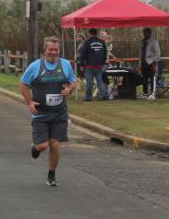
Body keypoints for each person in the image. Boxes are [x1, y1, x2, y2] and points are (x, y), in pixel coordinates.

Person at [20, 37, 77, 187]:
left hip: (59, 112)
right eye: (50, 49)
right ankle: (35, 147)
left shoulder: (65, 64)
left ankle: (51, 175)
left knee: (55, 144)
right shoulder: (35, 66)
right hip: (41, 113)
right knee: (42, 146)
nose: (53, 52)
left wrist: (69, 89)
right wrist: (30, 102)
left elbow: (73, 81)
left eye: (56, 49)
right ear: (44, 50)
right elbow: (23, 84)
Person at [76, 28, 109, 101]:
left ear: (90, 33)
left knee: (89, 82)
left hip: (89, 66)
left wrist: (81, 64)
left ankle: (88, 97)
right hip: (99, 66)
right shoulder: (102, 42)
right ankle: (103, 96)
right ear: (96, 33)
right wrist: (102, 63)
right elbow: (105, 54)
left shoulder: (87, 42)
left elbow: (83, 54)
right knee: (100, 82)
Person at [140, 27, 161, 99]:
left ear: (150, 33)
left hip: (151, 63)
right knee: (144, 79)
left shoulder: (154, 42)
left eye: (146, 33)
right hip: (143, 63)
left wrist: (154, 61)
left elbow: (158, 53)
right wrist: (139, 63)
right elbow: (141, 53)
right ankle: (145, 93)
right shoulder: (143, 41)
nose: (145, 34)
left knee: (152, 78)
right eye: (144, 33)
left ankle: (153, 93)